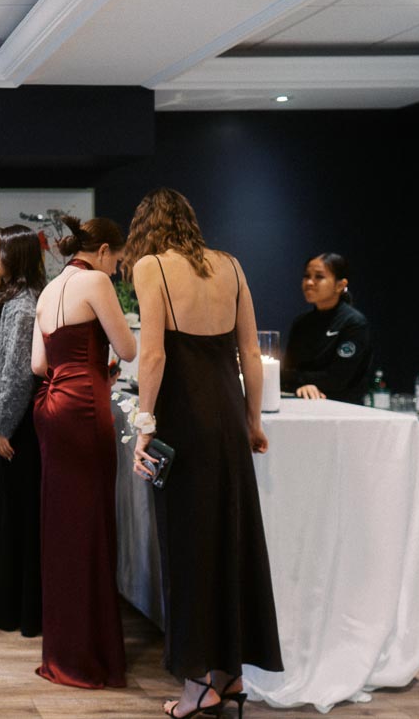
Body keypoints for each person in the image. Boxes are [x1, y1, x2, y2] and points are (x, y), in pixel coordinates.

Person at [123, 188, 282, 718]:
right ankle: (231, 676)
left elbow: (153, 355)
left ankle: (197, 687)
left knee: (189, 549)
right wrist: (253, 421)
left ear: (147, 226)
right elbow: (251, 352)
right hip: (228, 419)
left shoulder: (152, 267)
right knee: (232, 542)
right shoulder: (232, 266)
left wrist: (144, 426)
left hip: (184, 424)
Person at [31, 215, 137, 689]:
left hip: (51, 405)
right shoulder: (95, 280)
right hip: (85, 408)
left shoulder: (51, 288)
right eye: (118, 259)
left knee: (62, 525)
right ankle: (90, 655)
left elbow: (38, 364)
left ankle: (62, 651)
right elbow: (129, 348)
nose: (117, 269)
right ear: (106, 250)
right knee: (91, 522)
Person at [0, 224, 45, 637]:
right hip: (8, 426)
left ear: (15, 259)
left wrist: (2, 427)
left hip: (16, 432)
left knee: (18, 524)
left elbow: (18, 375)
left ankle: (20, 613)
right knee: (11, 523)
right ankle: (12, 611)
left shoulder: (22, 307)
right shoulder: (12, 301)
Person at [281, 252, 372, 403]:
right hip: (303, 402)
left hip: (345, 410)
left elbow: (338, 378)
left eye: (319, 277)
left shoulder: (353, 323)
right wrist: (303, 385)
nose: (309, 282)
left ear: (340, 285)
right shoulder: (301, 323)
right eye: (306, 276)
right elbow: (286, 373)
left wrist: (303, 380)